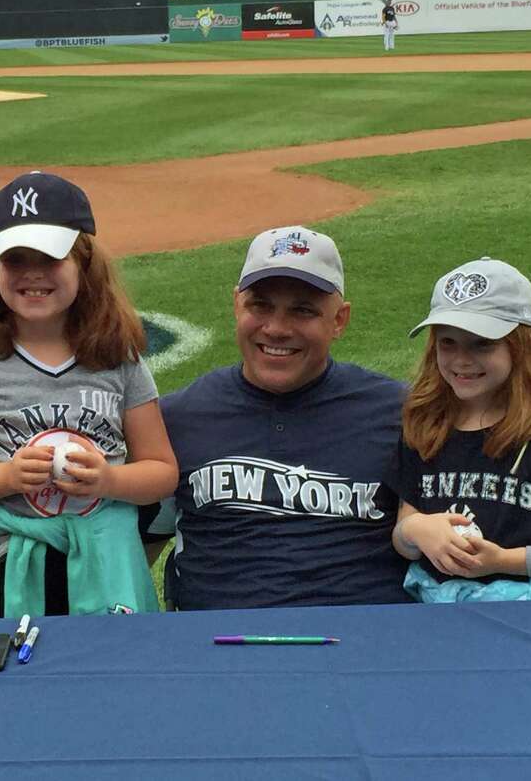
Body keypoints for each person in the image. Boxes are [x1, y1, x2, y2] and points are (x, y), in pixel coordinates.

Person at [0, 172, 178, 619]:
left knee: (105, 678)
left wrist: (109, 480)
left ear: (84, 262)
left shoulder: (117, 356)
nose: (32, 273)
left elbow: (162, 471)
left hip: (103, 558)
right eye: (15, 259)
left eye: (50, 258)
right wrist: (8, 477)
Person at [147, 226, 412, 611]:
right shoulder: (179, 417)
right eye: (261, 306)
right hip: (216, 646)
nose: (276, 328)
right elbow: (139, 546)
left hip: (361, 644)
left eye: (303, 310)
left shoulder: (399, 413)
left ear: (339, 319)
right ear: (237, 305)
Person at [387, 257, 531, 602]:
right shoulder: (425, 423)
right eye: (447, 342)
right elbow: (404, 534)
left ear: (522, 347)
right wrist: (415, 530)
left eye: (482, 343)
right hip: (440, 606)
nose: (461, 359)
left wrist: (503, 561)